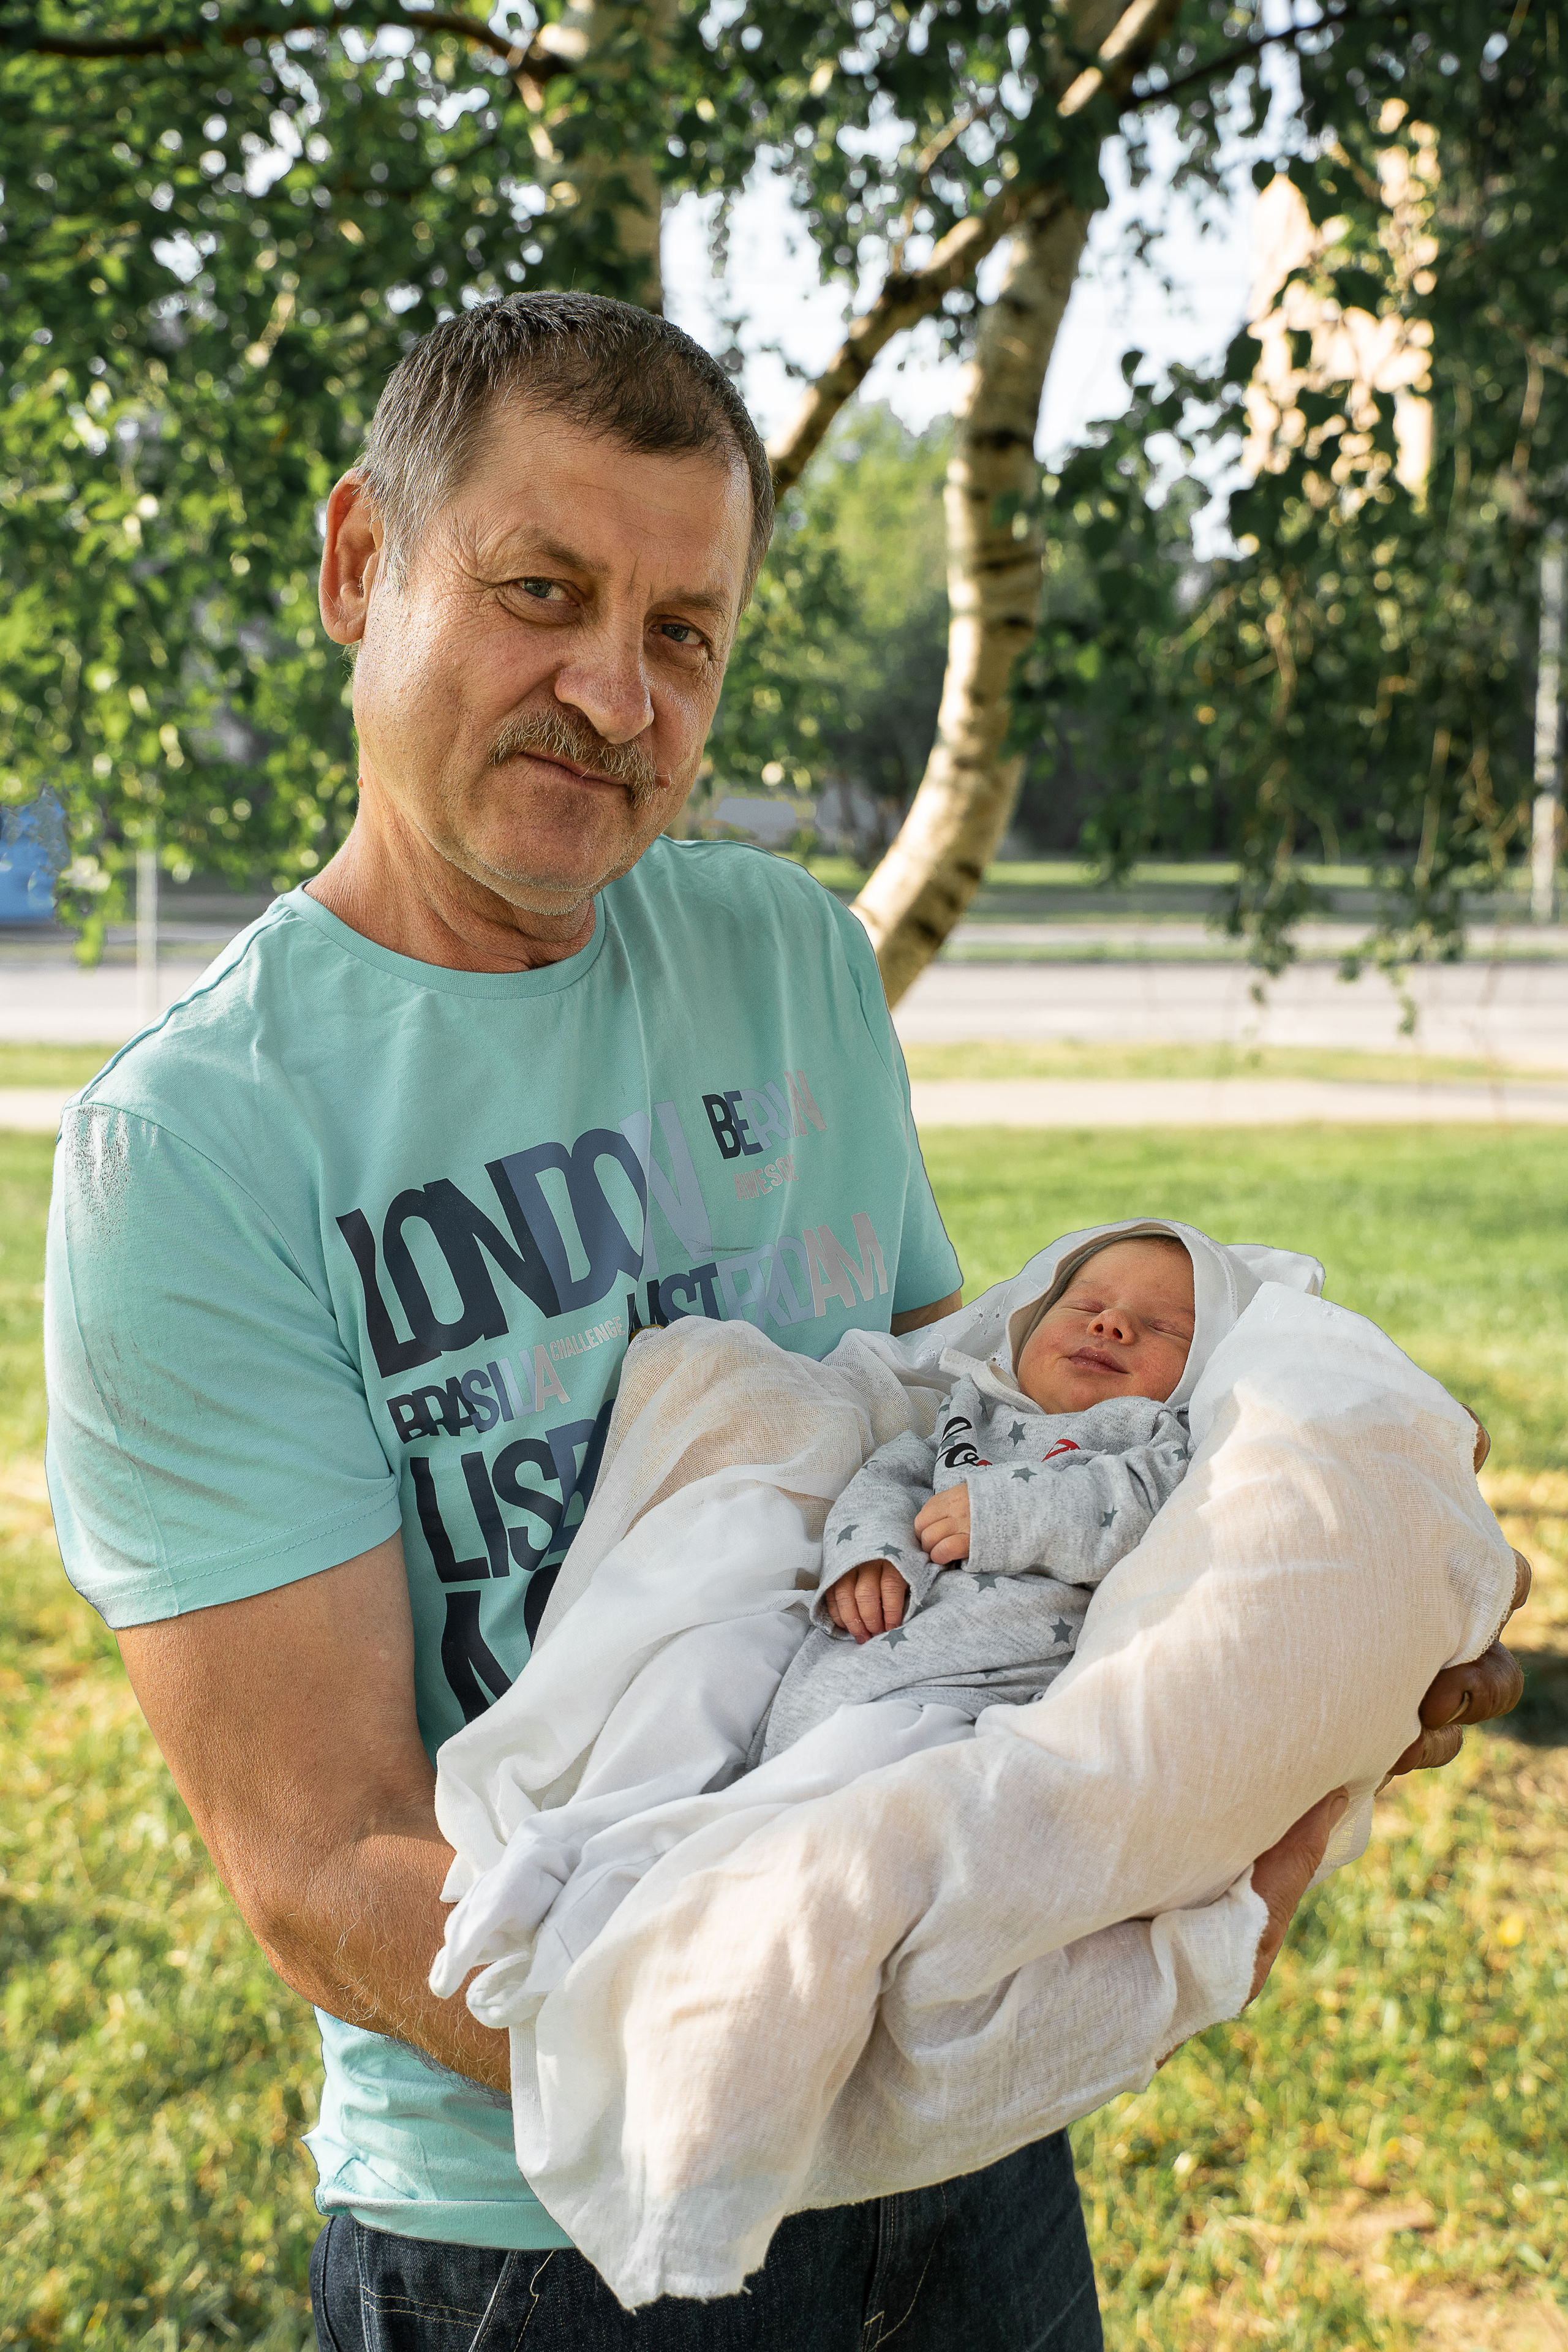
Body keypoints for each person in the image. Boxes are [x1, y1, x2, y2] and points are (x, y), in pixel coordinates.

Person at [43, 293, 1528, 2351]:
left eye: (683, 634)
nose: (614, 695)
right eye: (542, 593)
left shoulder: (787, 960)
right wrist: (816, 2046)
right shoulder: (197, 1151)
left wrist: (1313, 1626)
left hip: (967, 2181)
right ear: (362, 565)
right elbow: (324, 1863)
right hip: (543, 2218)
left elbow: (960, 1434)